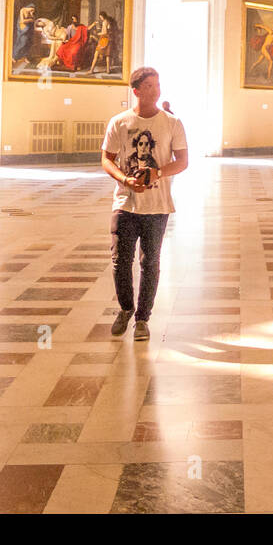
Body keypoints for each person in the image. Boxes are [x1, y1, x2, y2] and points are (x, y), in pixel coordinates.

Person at [100, 67, 189, 341]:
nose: (156, 90)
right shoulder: (120, 122)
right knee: (120, 261)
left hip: (157, 206)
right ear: (136, 90)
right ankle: (126, 309)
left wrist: (157, 173)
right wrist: (126, 179)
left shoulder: (172, 123)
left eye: (158, 85)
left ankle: (142, 319)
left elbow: (183, 161)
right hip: (125, 204)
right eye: (149, 86)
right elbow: (106, 159)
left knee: (150, 263)